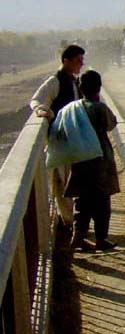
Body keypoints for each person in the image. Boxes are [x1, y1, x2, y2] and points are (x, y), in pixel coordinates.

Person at [30, 45, 85, 225]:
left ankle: (71, 222)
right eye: (78, 61)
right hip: (61, 141)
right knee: (63, 182)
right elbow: (37, 99)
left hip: (73, 141)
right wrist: (41, 110)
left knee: (72, 182)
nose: (81, 64)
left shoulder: (72, 81)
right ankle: (68, 223)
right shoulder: (55, 82)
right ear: (66, 61)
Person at [65, 70, 120, 252]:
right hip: (100, 163)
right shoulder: (99, 108)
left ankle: (78, 237)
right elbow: (111, 123)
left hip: (80, 160)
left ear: (80, 88)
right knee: (102, 202)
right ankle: (101, 239)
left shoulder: (73, 108)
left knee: (82, 200)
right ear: (99, 88)